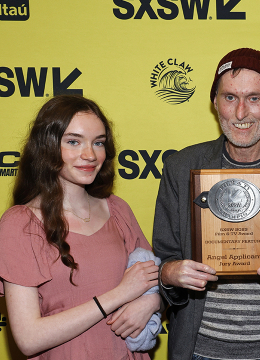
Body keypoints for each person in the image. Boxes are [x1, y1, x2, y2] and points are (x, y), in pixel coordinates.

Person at [152, 48, 260, 360]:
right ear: (215, 103)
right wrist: (170, 274)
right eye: (230, 97)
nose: (240, 113)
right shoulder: (180, 168)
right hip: (199, 349)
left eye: (254, 98)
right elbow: (163, 260)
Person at [0, 95, 161, 359]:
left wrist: (151, 301)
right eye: (74, 141)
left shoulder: (117, 209)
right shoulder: (20, 224)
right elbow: (29, 339)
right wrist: (119, 295)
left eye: (98, 143)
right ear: (47, 146)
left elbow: (153, 281)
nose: (90, 155)